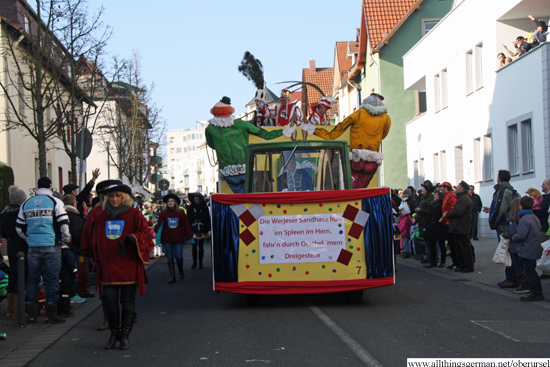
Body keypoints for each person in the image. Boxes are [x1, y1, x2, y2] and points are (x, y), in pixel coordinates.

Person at [93, 183, 150, 350]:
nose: (114, 199)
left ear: (124, 198)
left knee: (127, 302)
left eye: (118, 196)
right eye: (111, 196)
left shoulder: (134, 214)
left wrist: (135, 238)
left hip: (128, 263)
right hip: (109, 265)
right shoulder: (102, 216)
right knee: (109, 301)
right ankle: (114, 333)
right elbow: (95, 238)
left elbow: (144, 233)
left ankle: (125, 335)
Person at [16, 177, 70, 324]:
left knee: (33, 279)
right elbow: (64, 225)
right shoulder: (55, 202)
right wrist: (63, 240)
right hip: (52, 245)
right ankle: (51, 314)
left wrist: (29, 239)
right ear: (50, 187)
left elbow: (19, 227)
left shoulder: (26, 204)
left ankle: (31, 314)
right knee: (52, 279)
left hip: (33, 247)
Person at [205, 96, 285, 193]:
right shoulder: (240, 124)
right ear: (230, 111)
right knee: (248, 195)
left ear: (214, 112)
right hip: (246, 168)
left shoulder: (210, 129)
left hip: (227, 171)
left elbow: (212, 145)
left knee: (239, 199)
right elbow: (264, 134)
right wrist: (284, 131)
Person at [314, 93, 390, 188]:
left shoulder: (360, 113)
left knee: (351, 186)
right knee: (363, 188)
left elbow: (342, 126)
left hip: (357, 157)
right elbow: (384, 135)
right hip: (373, 159)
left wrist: (318, 132)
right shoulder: (386, 118)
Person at [80, 179, 121, 331]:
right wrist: (92, 252)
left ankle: (128, 313)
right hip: (103, 257)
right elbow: (88, 232)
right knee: (106, 289)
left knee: (124, 288)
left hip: (121, 256)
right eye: (108, 194)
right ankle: (108, 318)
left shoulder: (126, 210)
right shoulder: (97, 212)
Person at [483, 170, 519, 287]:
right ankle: (512, 277)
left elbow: (501, 209)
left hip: (504, 225)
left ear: (499, 178)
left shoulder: (503, 191)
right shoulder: (512, 190)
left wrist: (493, 222)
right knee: (510, 252)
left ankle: (512, 278)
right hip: (509, 224)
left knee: (507, 252)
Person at [0, 185, 28, 320]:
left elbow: (3, 233)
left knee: (13, 274)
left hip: (11, 246)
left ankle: (10, 309)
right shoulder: (21, 213)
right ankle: (19, 311)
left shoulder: (4, 213)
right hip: (22, 244)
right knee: (22, 275)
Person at [512, 196, 544, 301]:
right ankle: (538, 291)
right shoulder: (534, 217)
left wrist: (513, 238)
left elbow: (521, 235)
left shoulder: (524, 219)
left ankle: (534, 292)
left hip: (527, 248)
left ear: (521, 206)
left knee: (529, 271)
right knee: (532, 270)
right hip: (534, 246)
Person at [155, 194, 193, 282]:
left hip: (178, 238)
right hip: (167, 239)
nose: (170, 203)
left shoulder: (181, 213)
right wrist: (158, 239)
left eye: (172, 201)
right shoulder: (163, 214)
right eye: (168, 201)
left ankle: (181, 270)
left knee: (179, 256)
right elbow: (160, 227)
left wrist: (190, 237)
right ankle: (172, 276)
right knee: (170, 257)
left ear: (175, 203)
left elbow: (186, 225)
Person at [61, 194, 90, 301]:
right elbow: (76, 233)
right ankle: (73, 294)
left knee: (66, 273)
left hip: (64, 247)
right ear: (74, 203)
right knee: (74, 272)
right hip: (74, 248)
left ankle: (69, 294)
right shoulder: (75, 216)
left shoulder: (62, 214)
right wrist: (82, 245)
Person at [442, 181, 474, 273]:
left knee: (464, 248)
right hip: (458, 226)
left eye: (459, 187)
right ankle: (462, 265)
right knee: (459, 248)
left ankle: (468, 266)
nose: (457, 188)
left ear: (462, 188)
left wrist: (447, 215)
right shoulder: (461, 198)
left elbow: (458, 211)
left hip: (462, 226)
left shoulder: (464, 199)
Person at [501, 198, 529, 294]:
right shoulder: (525, 217)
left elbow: (512, 233)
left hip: (516, 246)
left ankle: (524, 284)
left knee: (517, 265)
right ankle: (523, 282)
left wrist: (505, 234)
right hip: (522, 247)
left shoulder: (514, 219)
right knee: (522, 265)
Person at [187, 192, 212, 270]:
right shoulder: (191, 207)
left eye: (197, 198)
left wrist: (209, 230)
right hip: (193, 228)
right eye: (195, 198)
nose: (196, 199)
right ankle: (194, 262)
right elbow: (188, 219)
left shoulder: (204, 207)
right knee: (193, 246)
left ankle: (200, 262)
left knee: (201, 247)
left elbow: (208, 218)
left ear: (200, 199)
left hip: (202, 228)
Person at [424, 190, 447, 268]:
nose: (435, 197)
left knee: (441, 245)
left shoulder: (442, 205)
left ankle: (442, 261)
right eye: (434, 195)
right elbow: (430, 216)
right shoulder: (432, 205)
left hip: (440, 227)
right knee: (432, 245)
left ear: (440, 196)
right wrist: (426, 225)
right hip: (432, 227)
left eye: (436, 195)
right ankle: (432, 261)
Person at [415, 180, 434, 261]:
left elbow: (430, 211)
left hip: (426, 222)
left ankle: (430, 258)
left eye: (423, 188)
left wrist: (420, 210)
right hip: (422, 222)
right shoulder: (424, 198)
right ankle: (428, 257)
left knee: (429, 242)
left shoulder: (429, 198)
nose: (422, 189)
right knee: (426, 241)